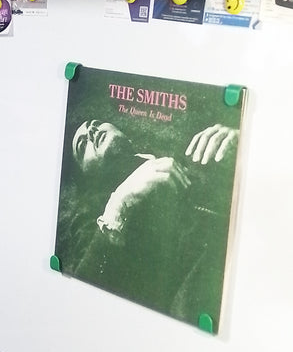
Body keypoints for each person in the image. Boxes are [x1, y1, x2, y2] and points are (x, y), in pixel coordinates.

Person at [56, 119, 239, 328]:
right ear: (85, 175)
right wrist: (120, 202)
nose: (92, 131)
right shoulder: (91, 212)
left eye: (95, 124)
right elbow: (84, 290)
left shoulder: (181, 146)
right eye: (82, 145)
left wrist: (238, 147)